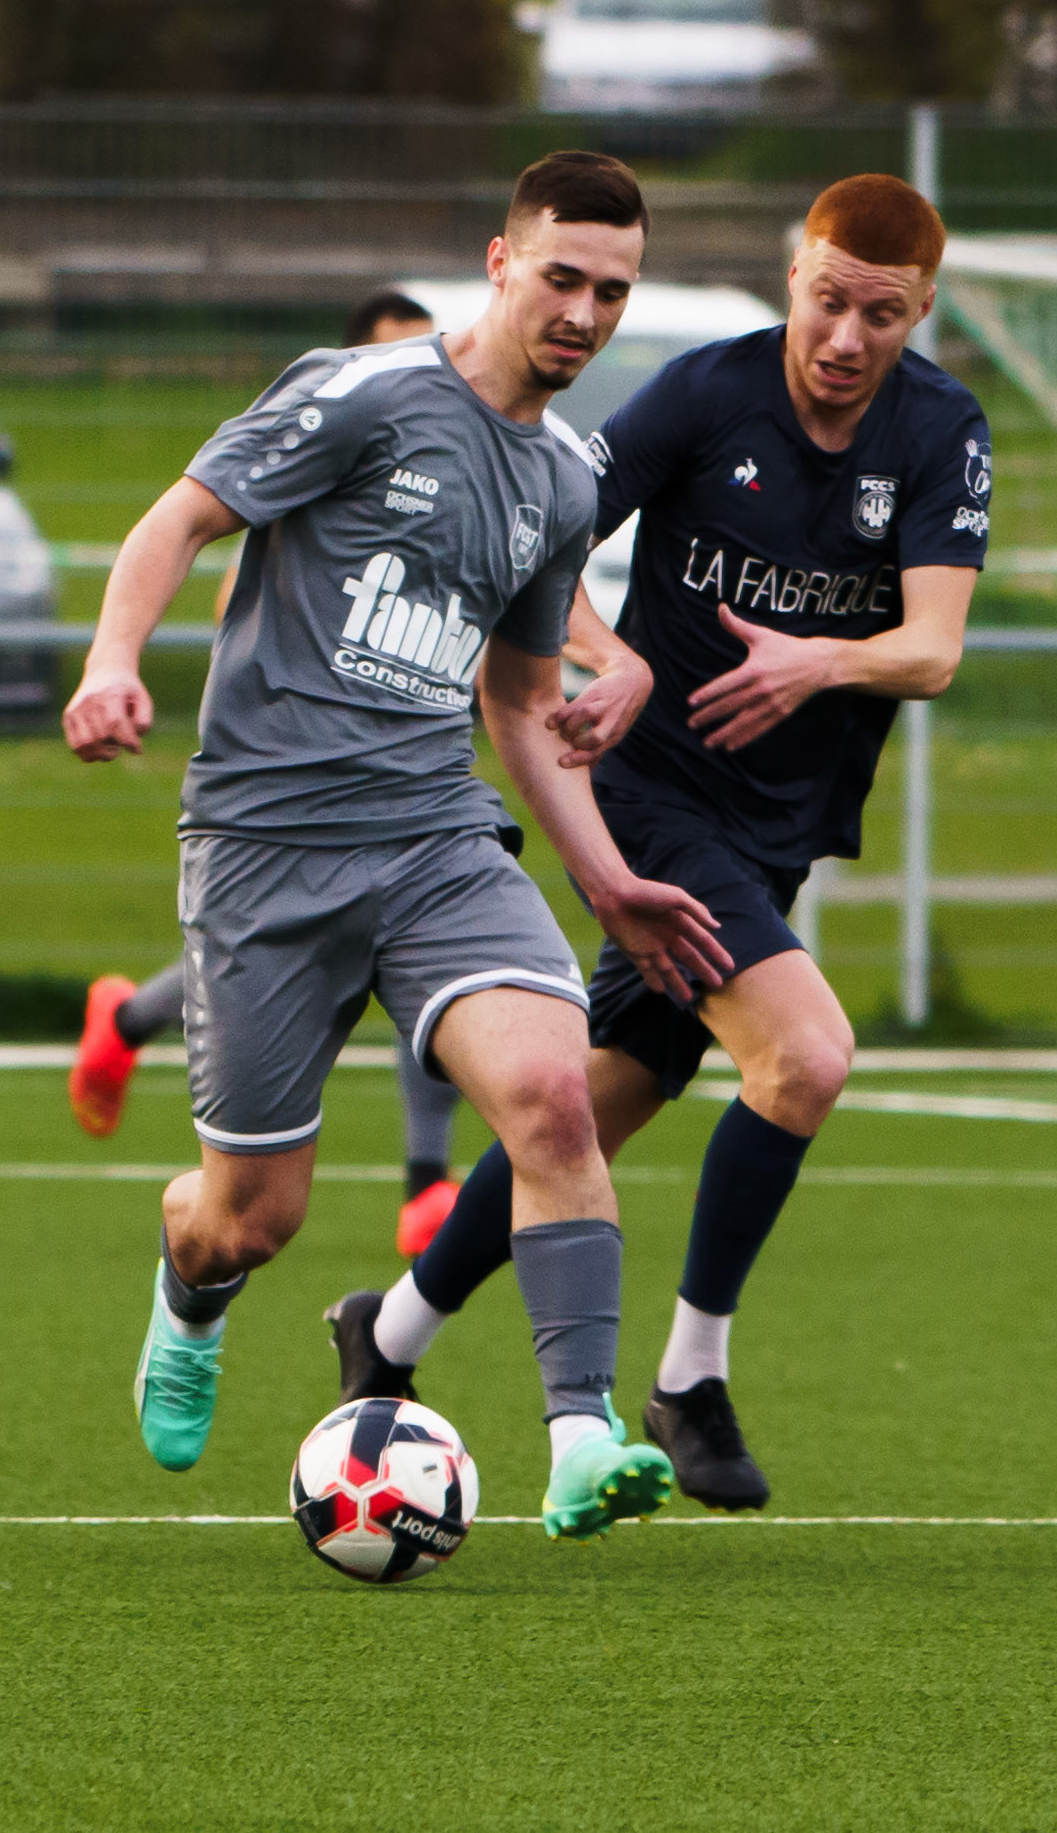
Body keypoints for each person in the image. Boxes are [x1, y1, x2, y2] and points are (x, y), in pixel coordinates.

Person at [62, 150, 732, 1543]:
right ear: (498, 264)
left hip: (434, 840)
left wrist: (606, 883)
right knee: (250, 1216)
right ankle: (189, 1293)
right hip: (266, 845)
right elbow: (180, 516)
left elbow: (518, 700)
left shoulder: (556, 482)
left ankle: (575, 1439)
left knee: (552, 1095)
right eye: (561, 276)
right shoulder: (362, 394)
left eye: (612, 289)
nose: (585, 312)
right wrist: (112, 661)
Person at [333, 172, 992, 1512]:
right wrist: (608, 655)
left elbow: (929, 649)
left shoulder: (938, 429)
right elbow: (542, 535)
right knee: (802, 1057)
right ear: (789, 275)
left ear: (916, 311)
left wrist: (817, 662)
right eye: (826, 300)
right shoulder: (705, 392)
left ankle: (385, 1334)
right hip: (649, 794)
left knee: (587, 1101)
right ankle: (688, 1377)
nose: (847, 336)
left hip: (776, 826)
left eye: (883, 314)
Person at [68, 290, 474, 1257]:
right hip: (281, 803)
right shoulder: (312, 473)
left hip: (414, 792)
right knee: (276, 974)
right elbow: (218, 589)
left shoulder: (471, 465)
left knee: (435, 974)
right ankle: (124, 1020)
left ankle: (427, 1181)